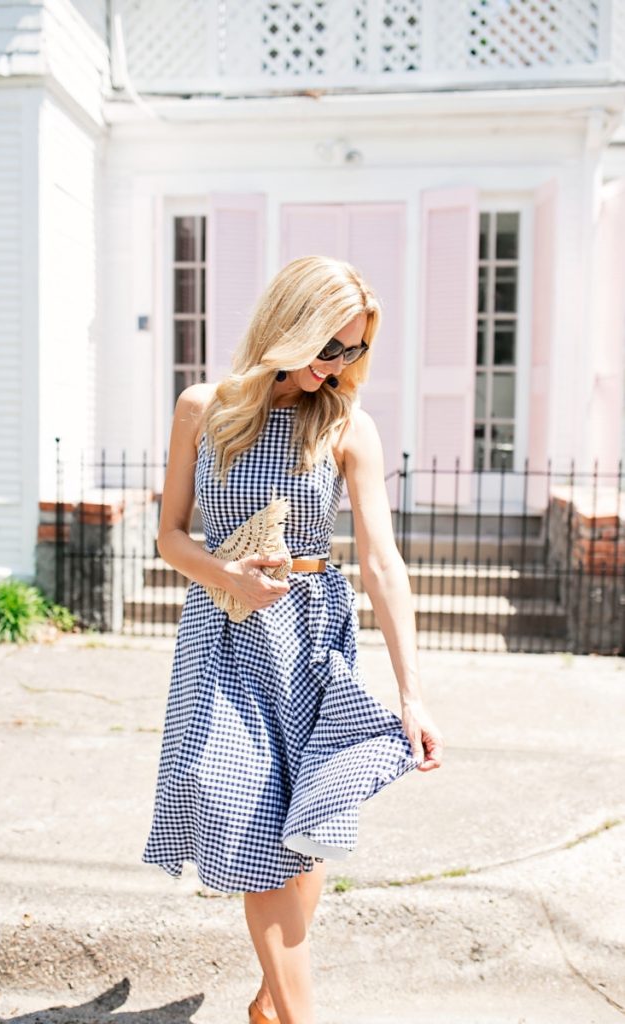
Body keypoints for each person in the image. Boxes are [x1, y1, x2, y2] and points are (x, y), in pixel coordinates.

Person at [142, 255, 443, 1024]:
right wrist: (227, 575)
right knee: (253, 830)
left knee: (300, 828)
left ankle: (271, 1003)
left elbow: (381, 561)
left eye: (352, 351)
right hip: (226, 631)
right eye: (327, 346)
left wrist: (413, 695)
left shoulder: (346, 422)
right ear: (288, 324)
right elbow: (169, 539)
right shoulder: (201, 407)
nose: (337, 364)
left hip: (312, 636)